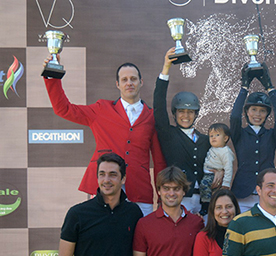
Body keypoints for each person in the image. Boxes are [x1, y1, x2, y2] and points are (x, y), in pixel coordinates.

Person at [43, 56, 166, 216]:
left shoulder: (152, 116)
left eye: (133, 79)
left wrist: (162, 196)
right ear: (118, 84)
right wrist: (53, 76)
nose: (129, 83)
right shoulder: (101, 109)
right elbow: (63, 109)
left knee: (140, 239)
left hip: (139, 189)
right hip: (104, 187)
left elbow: (159, 161)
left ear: (141, 82)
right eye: (124, 79)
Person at [154, 48, 214, 214]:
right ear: (174, 113)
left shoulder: (205, 139)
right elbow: (158, 105)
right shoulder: (168, 134)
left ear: (196, 114)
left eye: (190, 112)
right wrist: (166, 68)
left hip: (204, 202)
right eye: (181, 111)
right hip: (180, 200)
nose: (186, 116)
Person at [230, 62, 276, 213]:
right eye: (253, 109)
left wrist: (270, 88)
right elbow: (234, 116)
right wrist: (244, 88)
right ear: (247, 112)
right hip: (242, 195)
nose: (257, 114)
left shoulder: (271, 136)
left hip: (267, 195)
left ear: (267, 115)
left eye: (262, 111)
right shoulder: (239, 134)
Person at [199, 124, 235, 216]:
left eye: (217, 135)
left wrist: (226, 183)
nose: (213, 138)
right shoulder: (212, 148)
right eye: (211, 136)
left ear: (225, 138)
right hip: (206, 173)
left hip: (213, 175)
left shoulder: (225, 152)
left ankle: (206, 205)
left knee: (204, 185)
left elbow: (228, 168)